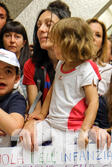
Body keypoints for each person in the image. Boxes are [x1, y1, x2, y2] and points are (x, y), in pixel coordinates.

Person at [21, 17, 100, 150]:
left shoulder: (87, 69)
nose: (52, 45)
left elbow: (93, 102)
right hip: (51, 123)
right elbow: (53, 89)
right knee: (24, 139)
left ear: (69, 44)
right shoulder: (61, 63)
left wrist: (85, 130)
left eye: (56, 43)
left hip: (72, 129)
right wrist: (42, 114)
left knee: (62, 158)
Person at [22, 0, 71, 115]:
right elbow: (35, 109)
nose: (41, 29)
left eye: (48, 25)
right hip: (46, 123)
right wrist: (32, 120)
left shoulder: (81, 65)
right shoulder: (31, 65)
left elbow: (92, 106)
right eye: (38, 25)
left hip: (76, 124)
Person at [87, 18, 112, 96]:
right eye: (89, 33)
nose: (93, 38)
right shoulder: (68, 61)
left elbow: (96, 95)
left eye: (98, 35)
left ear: (102, 44)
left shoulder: (107, 69)